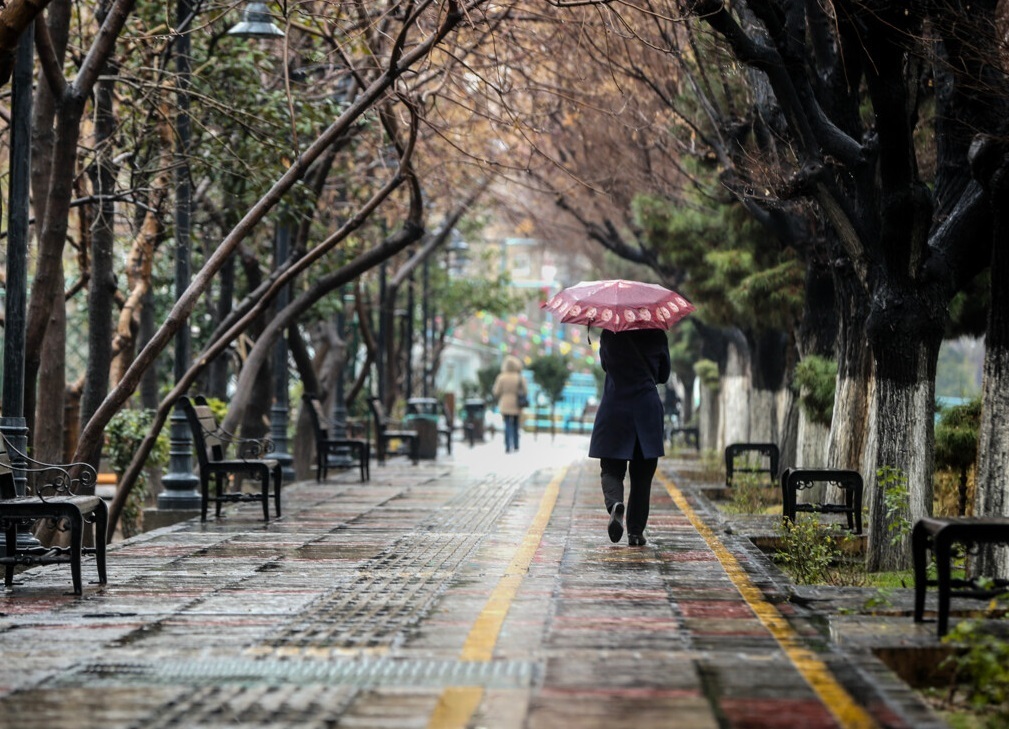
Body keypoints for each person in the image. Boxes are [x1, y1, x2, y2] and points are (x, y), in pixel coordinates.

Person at [588, 328, 671, 546]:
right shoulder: (657, 334)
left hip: (615, 406)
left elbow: (605, 366)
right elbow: (663, 376)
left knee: (611, 468)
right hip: (646, 408)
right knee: (642, 477)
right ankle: (635, 533)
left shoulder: (609, 333)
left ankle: (615, 504)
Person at [493, 355, 528, 454]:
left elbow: (496, 391)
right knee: (516, 425)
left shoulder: (501, 377)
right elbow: (525, 391)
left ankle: (508, 445)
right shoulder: (520, 377)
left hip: (505, 403)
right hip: (517, 403)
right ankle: (516, 445)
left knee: (507, 424)